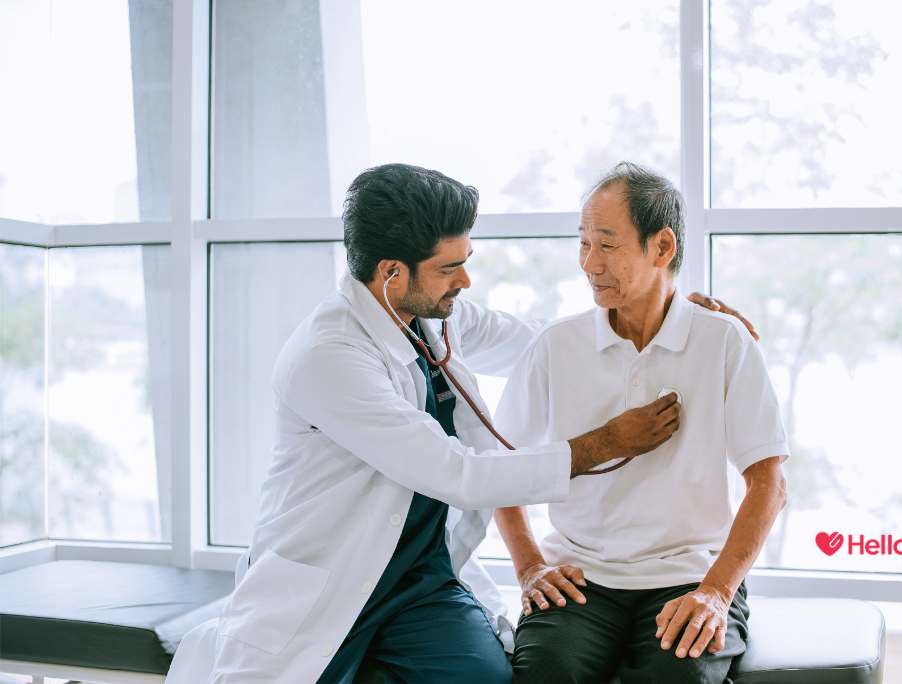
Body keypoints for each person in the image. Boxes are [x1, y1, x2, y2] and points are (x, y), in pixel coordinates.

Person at [166, 163, 692, 683]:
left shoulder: (434, 315)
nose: (465, 280)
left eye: (465, 261)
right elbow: (458, 474)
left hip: (420, 582)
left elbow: (543, 343)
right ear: (392, 272)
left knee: (486, 681)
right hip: (328, 582)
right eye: (448, 268)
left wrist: (666, 309)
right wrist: (604, 444)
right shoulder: (329, 356)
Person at [494, 162, 789, 684]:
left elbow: (768, 484)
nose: (589, 263)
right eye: (583, 244)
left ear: (662, 247)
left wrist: (716, 592)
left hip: (689, 571)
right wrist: (530, 567)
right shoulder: (556, 347)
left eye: (607, 245)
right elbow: (502, 472)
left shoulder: (723, 341)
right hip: (580, 577)